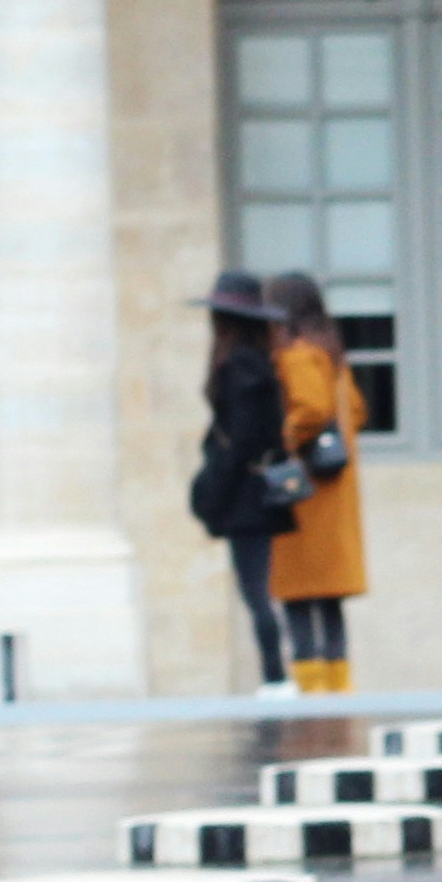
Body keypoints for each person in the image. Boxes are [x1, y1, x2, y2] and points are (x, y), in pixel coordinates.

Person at [185, 272, 299, 696]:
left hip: (246, 493)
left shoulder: (240, 367)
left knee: (255, 589)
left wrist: (217, 487)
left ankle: (276, 676)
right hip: (254, 490)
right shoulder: (256, 363)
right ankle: (275, 675)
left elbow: (245, 438)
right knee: (256, 587)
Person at [260, 271, 371, 694]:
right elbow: (355, 412)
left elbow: (311, 408)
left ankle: (312, 699)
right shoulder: (332, 355)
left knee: (299, 601)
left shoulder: (298, 355)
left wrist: (281, 438)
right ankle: (340, 693)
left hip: (304, 498)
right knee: (329, 603)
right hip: (332, 494)